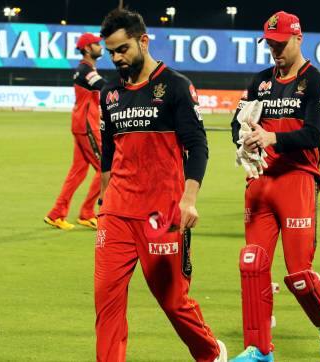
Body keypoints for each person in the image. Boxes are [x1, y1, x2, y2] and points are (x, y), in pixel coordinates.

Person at [95, 8, 227, 362]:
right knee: (106, 301)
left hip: (162, 214)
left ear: (143, 41)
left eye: (122, 49)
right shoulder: (109, 94)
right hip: (117, 214)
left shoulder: (176, 87)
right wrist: (105, 198)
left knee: (173, 302)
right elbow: (108, 152)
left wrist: (189, 200)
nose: (116, 58)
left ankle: (211, 352)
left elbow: (197, 145)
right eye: (110, 52)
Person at [229, 11, 320, 361]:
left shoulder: (318, 83)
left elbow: (312, 134)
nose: (275, 50)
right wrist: (244, 138)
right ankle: (259, 348)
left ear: (298, 39)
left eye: (280, 44)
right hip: (260, 181)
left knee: (298, 275)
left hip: (297, 181)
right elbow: (238, 122)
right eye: (270, 44)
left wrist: (271, 136)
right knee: (253, 266)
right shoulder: (259, 81)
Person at [44, 33, 106, 230]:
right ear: (87, 49)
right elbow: (103, 87)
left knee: (77, 172)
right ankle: (87, 212)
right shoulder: (86, 70)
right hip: (87, 125)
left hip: (82, 123)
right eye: (96, 44)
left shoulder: (85, 69)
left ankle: (56, 214)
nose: (100, 46)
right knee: (107, 168)